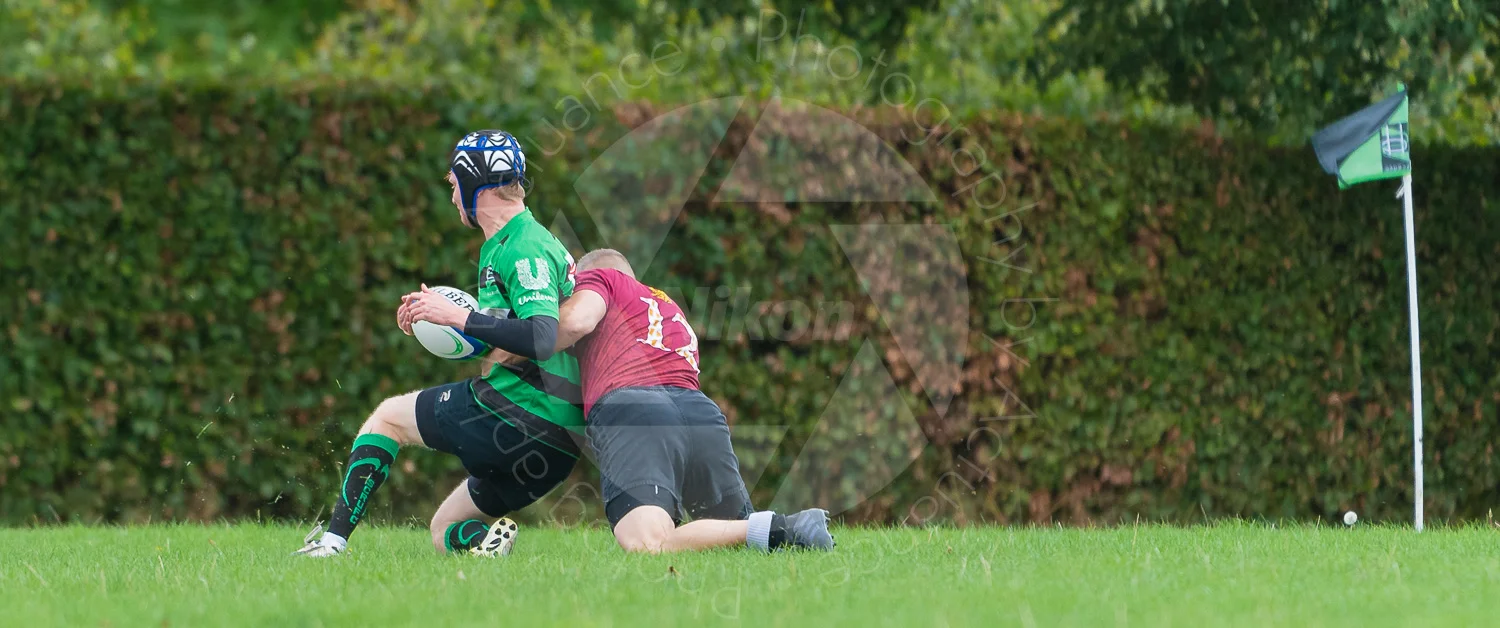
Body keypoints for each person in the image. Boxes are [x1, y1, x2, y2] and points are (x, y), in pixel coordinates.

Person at [295, 130, 584, 557]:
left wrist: (458, 317)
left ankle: (331, 544)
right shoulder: (510, 242)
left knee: (386, 419)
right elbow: (513, 344)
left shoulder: (524, 247)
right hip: (556, 445)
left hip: (520, 415)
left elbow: (541, 337)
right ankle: (486, 549)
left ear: (475, 183)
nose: (452, 197)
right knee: (445, 527)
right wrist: (441, 318)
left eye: (454, 184)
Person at [509, 248, 835, 553]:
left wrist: (500, 344)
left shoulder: (600, 279)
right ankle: (782, 530)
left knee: (647, 542)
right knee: (735, 537)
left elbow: (574, 322)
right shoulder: (667, 306)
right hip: (699, 413)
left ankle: (786, 525)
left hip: (635, 408)